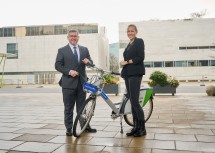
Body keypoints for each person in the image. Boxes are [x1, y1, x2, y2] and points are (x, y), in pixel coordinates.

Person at [55, 29, 97, 136]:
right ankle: (69, 129)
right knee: (68, 108)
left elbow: (91, 63)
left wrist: (89, 62)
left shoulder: (84, 49)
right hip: (68, 84)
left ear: (78, 37)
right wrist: (69, 72)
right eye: (71, 36)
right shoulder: (62, 50)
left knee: (82, 108)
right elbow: (58, 65)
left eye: (75, 36)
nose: (73, 38)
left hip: (82, 84)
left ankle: (85, 126)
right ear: (68, 37)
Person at [120, 24, 146, 137]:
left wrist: (127, 61)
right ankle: (135, 127)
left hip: (135, 74)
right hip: (128, 74)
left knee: (135, 102)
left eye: (132, 31)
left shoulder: (139, 41)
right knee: (132, 101)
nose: (130, 33)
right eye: (128, 31)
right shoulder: (128, 45)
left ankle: (142, 128)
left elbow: (140, 57)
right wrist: (123, 63)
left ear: (136, 32)